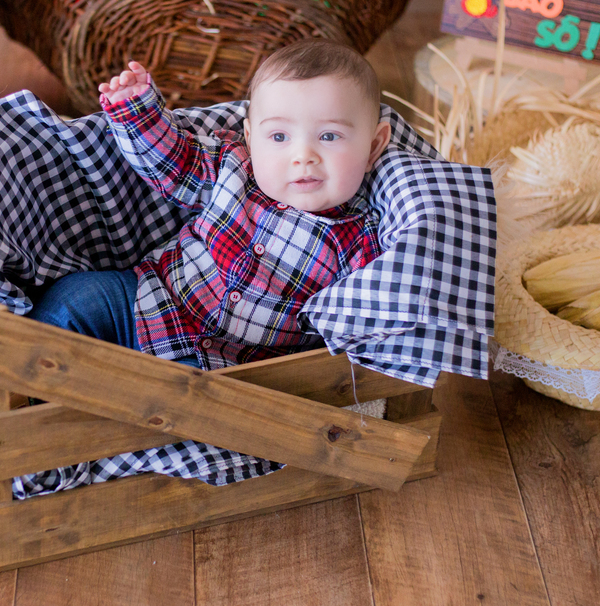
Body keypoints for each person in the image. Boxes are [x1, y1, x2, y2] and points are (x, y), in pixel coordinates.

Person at [25, 38, 393, 370]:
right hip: (150, 300)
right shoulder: (233, 165)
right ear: (251, 136)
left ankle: (96, 421)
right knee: (74, 300)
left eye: (329, 136)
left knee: (174, 410)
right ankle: (32, 395)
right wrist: (136, 110)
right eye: (279, 136)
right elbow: (173, 162)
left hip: (222, 367)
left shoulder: (363, 242)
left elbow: (356, 323)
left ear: (374, 145)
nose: (303, 156)